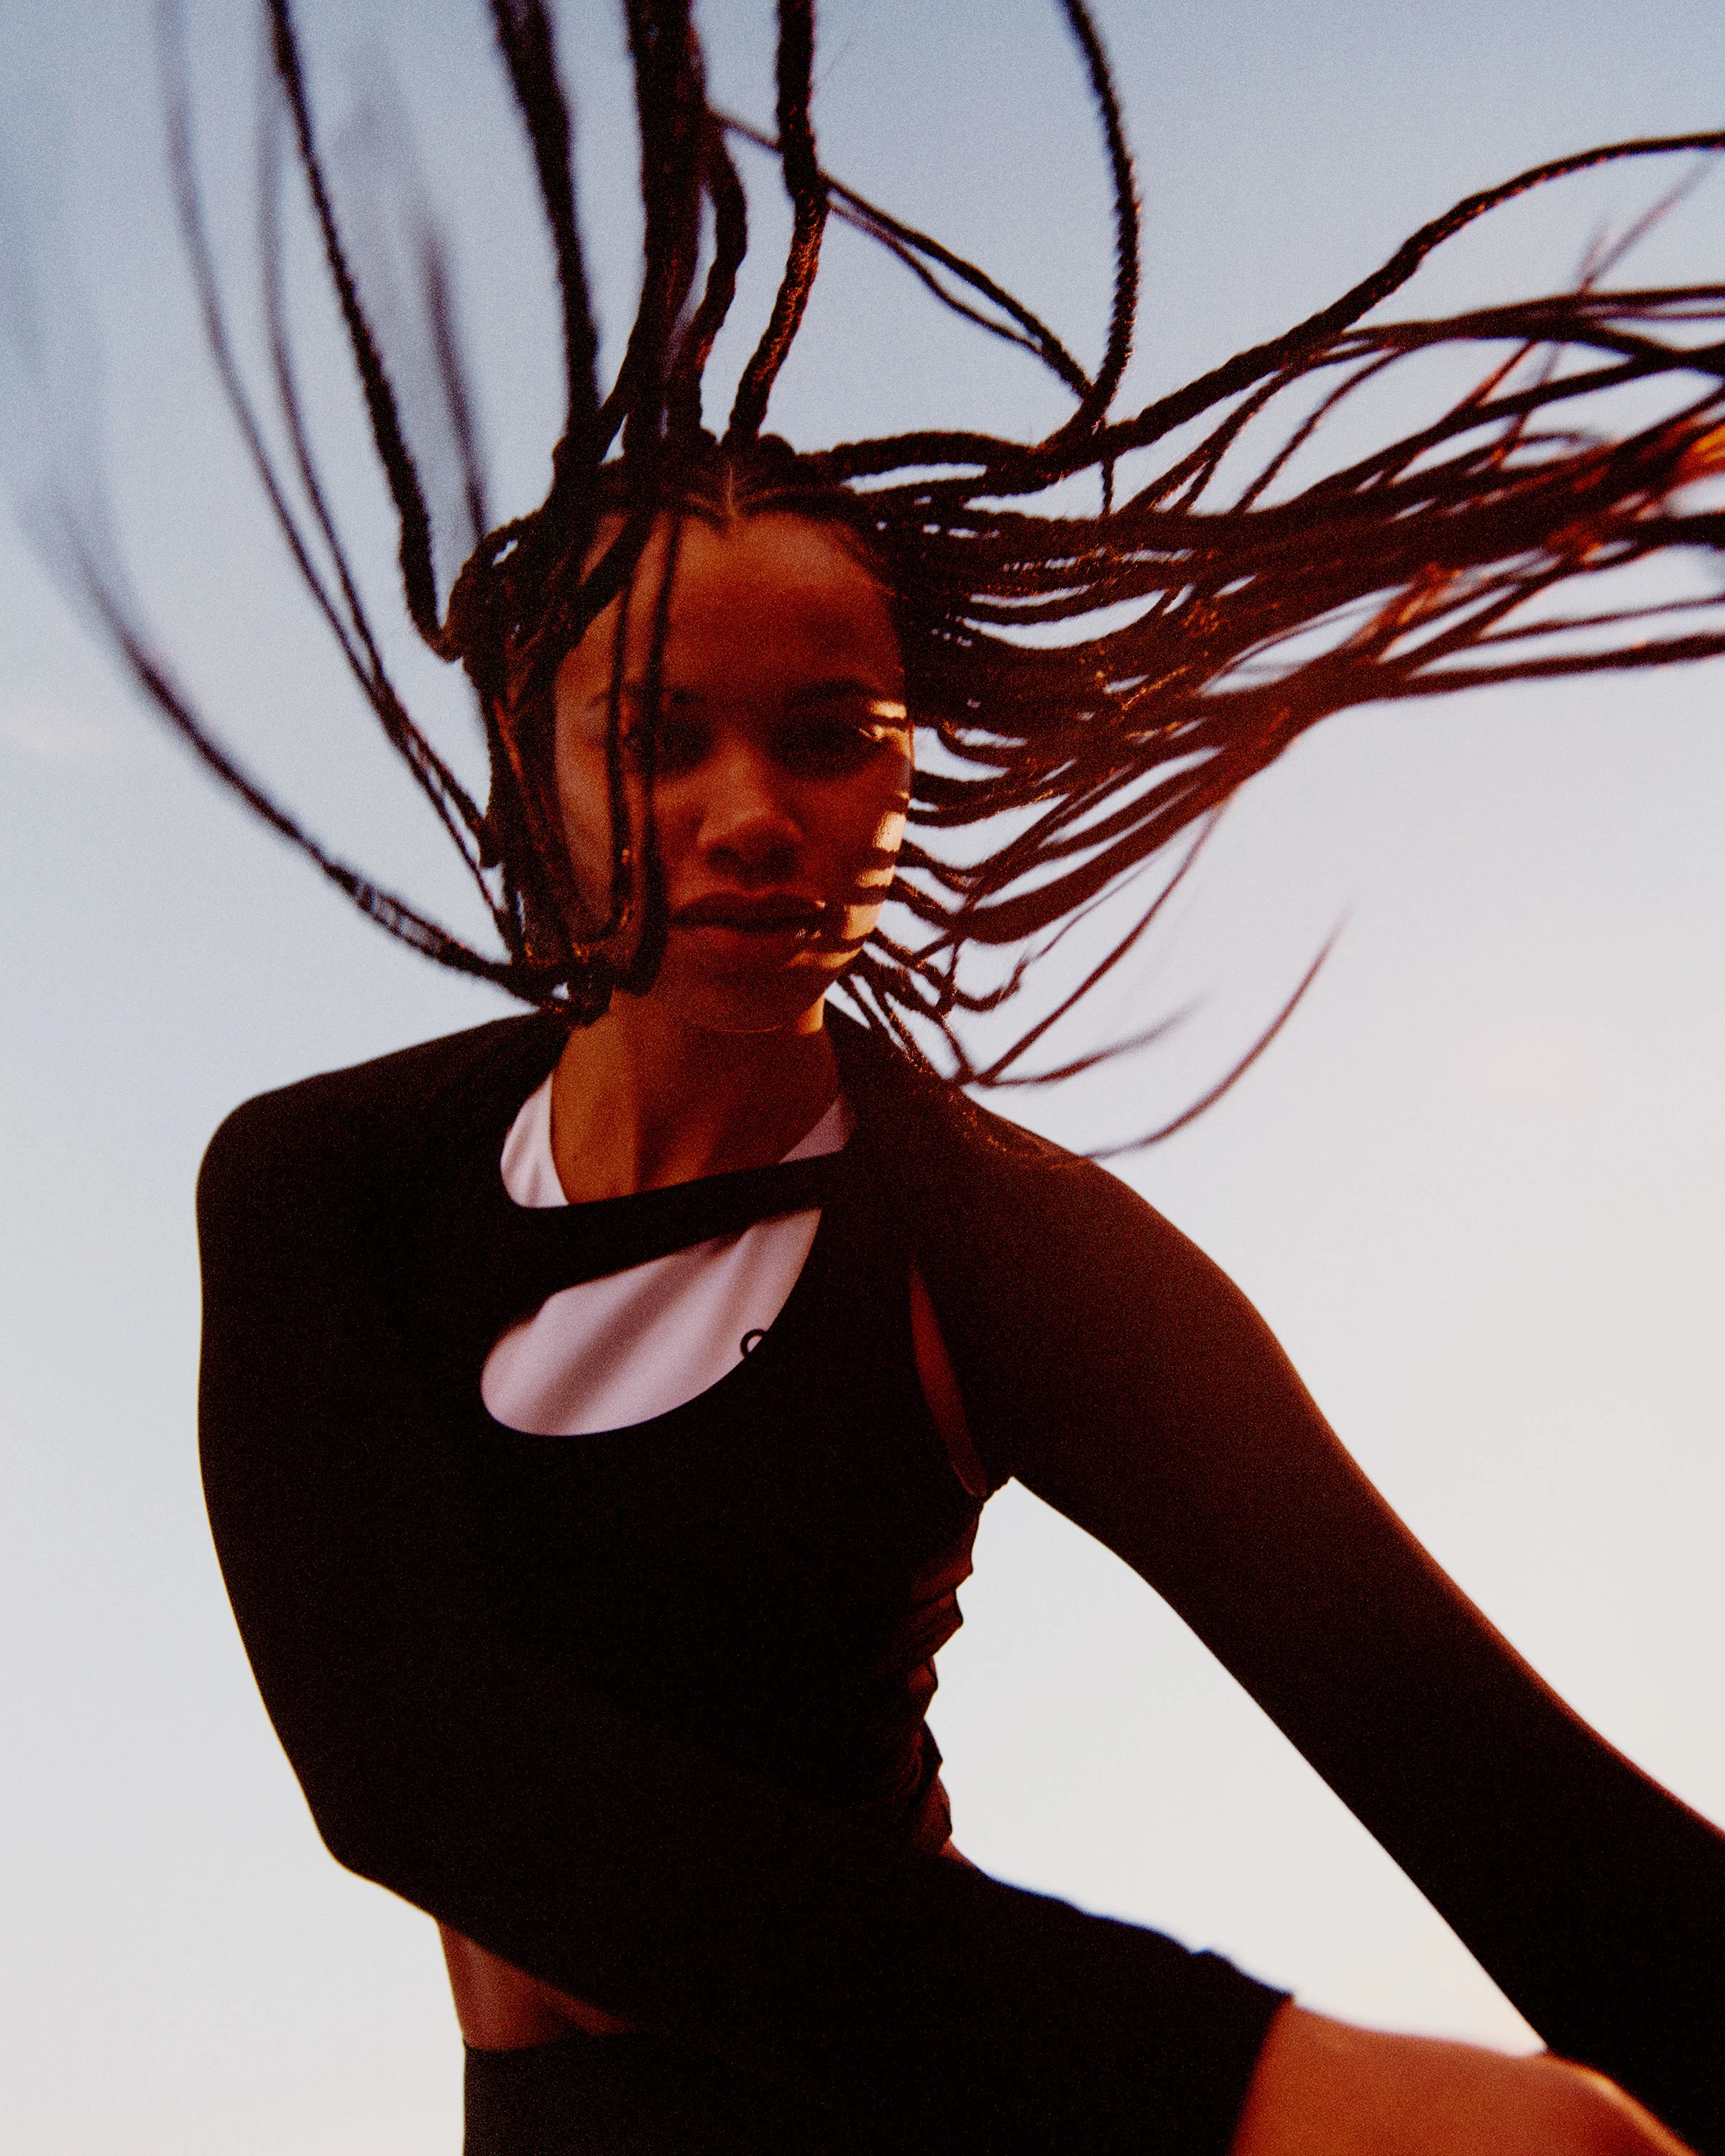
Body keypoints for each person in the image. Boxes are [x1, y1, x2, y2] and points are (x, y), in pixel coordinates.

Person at [63, 2, 1725, 2151]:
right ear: (539, 784)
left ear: (903, 770)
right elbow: (419, 1768)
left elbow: (1501, 1804)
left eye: (832, 735)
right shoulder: (329, 1181)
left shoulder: (1009, 1251)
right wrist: (1245, 2085)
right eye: (659, 739)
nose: (753, 811)